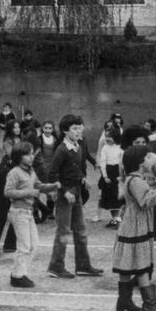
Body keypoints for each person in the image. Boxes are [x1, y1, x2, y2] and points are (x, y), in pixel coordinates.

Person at [111, 145, 156, 311]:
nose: (149, 160)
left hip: (130, 225)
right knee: (141, 264)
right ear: (138, 161)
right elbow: (145, 202)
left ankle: (124, 301)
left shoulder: (133, 178)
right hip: (136, 227)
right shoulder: (136, 181)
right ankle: (150, 305)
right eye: (146, 158)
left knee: (126, 265)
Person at [48, 115, 104, 279]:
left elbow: (78, 168)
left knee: (80, 231)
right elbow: (52, 173)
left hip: (77, 193)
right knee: (63, 232)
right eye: (74, 128)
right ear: (65, 131)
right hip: (65, 195)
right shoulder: (62, 149)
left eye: (80, 127)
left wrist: (83, 179)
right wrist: (64, 191)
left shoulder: (79, 146)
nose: (79, 131)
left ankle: (83, 266)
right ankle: (56, 266)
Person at [3, 142, 59, 289]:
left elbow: (38, 185)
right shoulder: (14, 172)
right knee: (24, 246)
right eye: (27, 154)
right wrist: (28, 193)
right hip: (18, 212)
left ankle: (21, 273)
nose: (31, 156)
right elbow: (8, 192)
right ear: (19, 157)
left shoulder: (31, 171)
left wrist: (52, 186)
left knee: (34, 245)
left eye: (32, 153)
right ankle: (17, 276)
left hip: (28, 213)